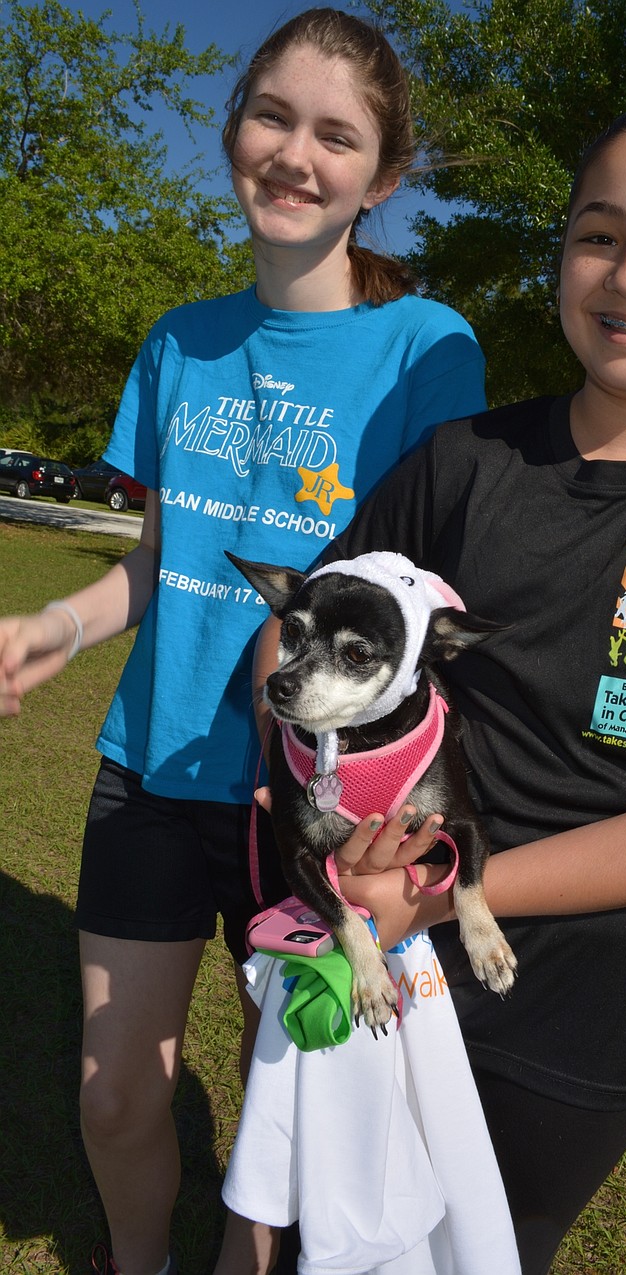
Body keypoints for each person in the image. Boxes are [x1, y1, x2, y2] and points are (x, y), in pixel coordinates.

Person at [251, 98, 626, 1274]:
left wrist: (438, 897)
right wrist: (317, 841)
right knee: (300, 1237)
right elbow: (291, 639)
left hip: (580, 1017)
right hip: (373, 937)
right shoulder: (458, 461)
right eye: (596, 234)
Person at [0, 9, 486, 1275]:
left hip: (319, 800)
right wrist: (53, 624)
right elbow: (155, 567)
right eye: (272, 117)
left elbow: (424, 588)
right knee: (115, 1097)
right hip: (151, 775)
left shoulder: (427, 349)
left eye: (337, 136)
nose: (294, 154)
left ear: (377, 182)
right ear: (232, 134)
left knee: (295, 1095)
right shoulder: (178, 340)